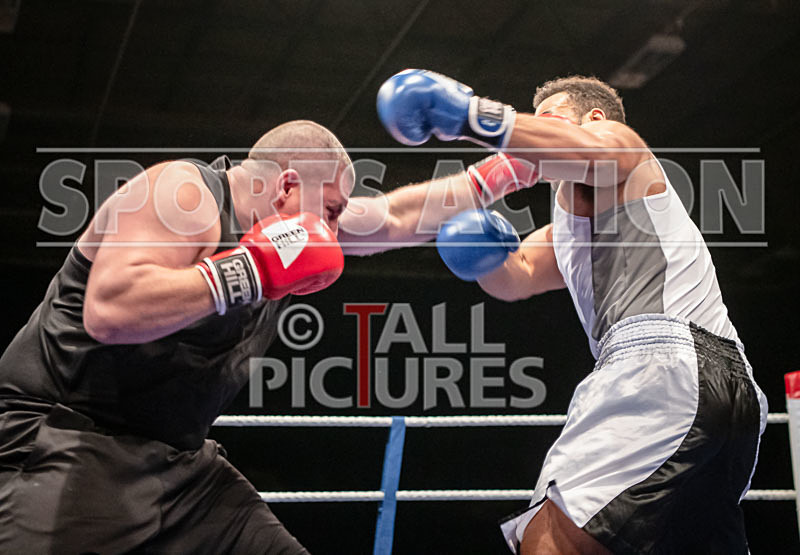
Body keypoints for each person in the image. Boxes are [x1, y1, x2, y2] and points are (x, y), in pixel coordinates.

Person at [0, 119, 533, 553]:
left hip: (181, 470)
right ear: (286, 186)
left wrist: (507, 169)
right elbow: (110, 310)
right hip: (61, 445)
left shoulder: (293, 223)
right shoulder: (180, 194)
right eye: (330, 209)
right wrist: (252, 270)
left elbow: (396, 216)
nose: (336, 226)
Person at [377, 70, 769, 554]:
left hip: (660, 370)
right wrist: (481, 254)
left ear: (594, 119)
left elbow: (590, 152)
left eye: (550, 121)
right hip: (724, 389)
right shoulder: (571, 224)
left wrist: (470, 114)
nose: (532, 138)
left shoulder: (617, 144)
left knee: (549, 541)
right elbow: (518, 276)